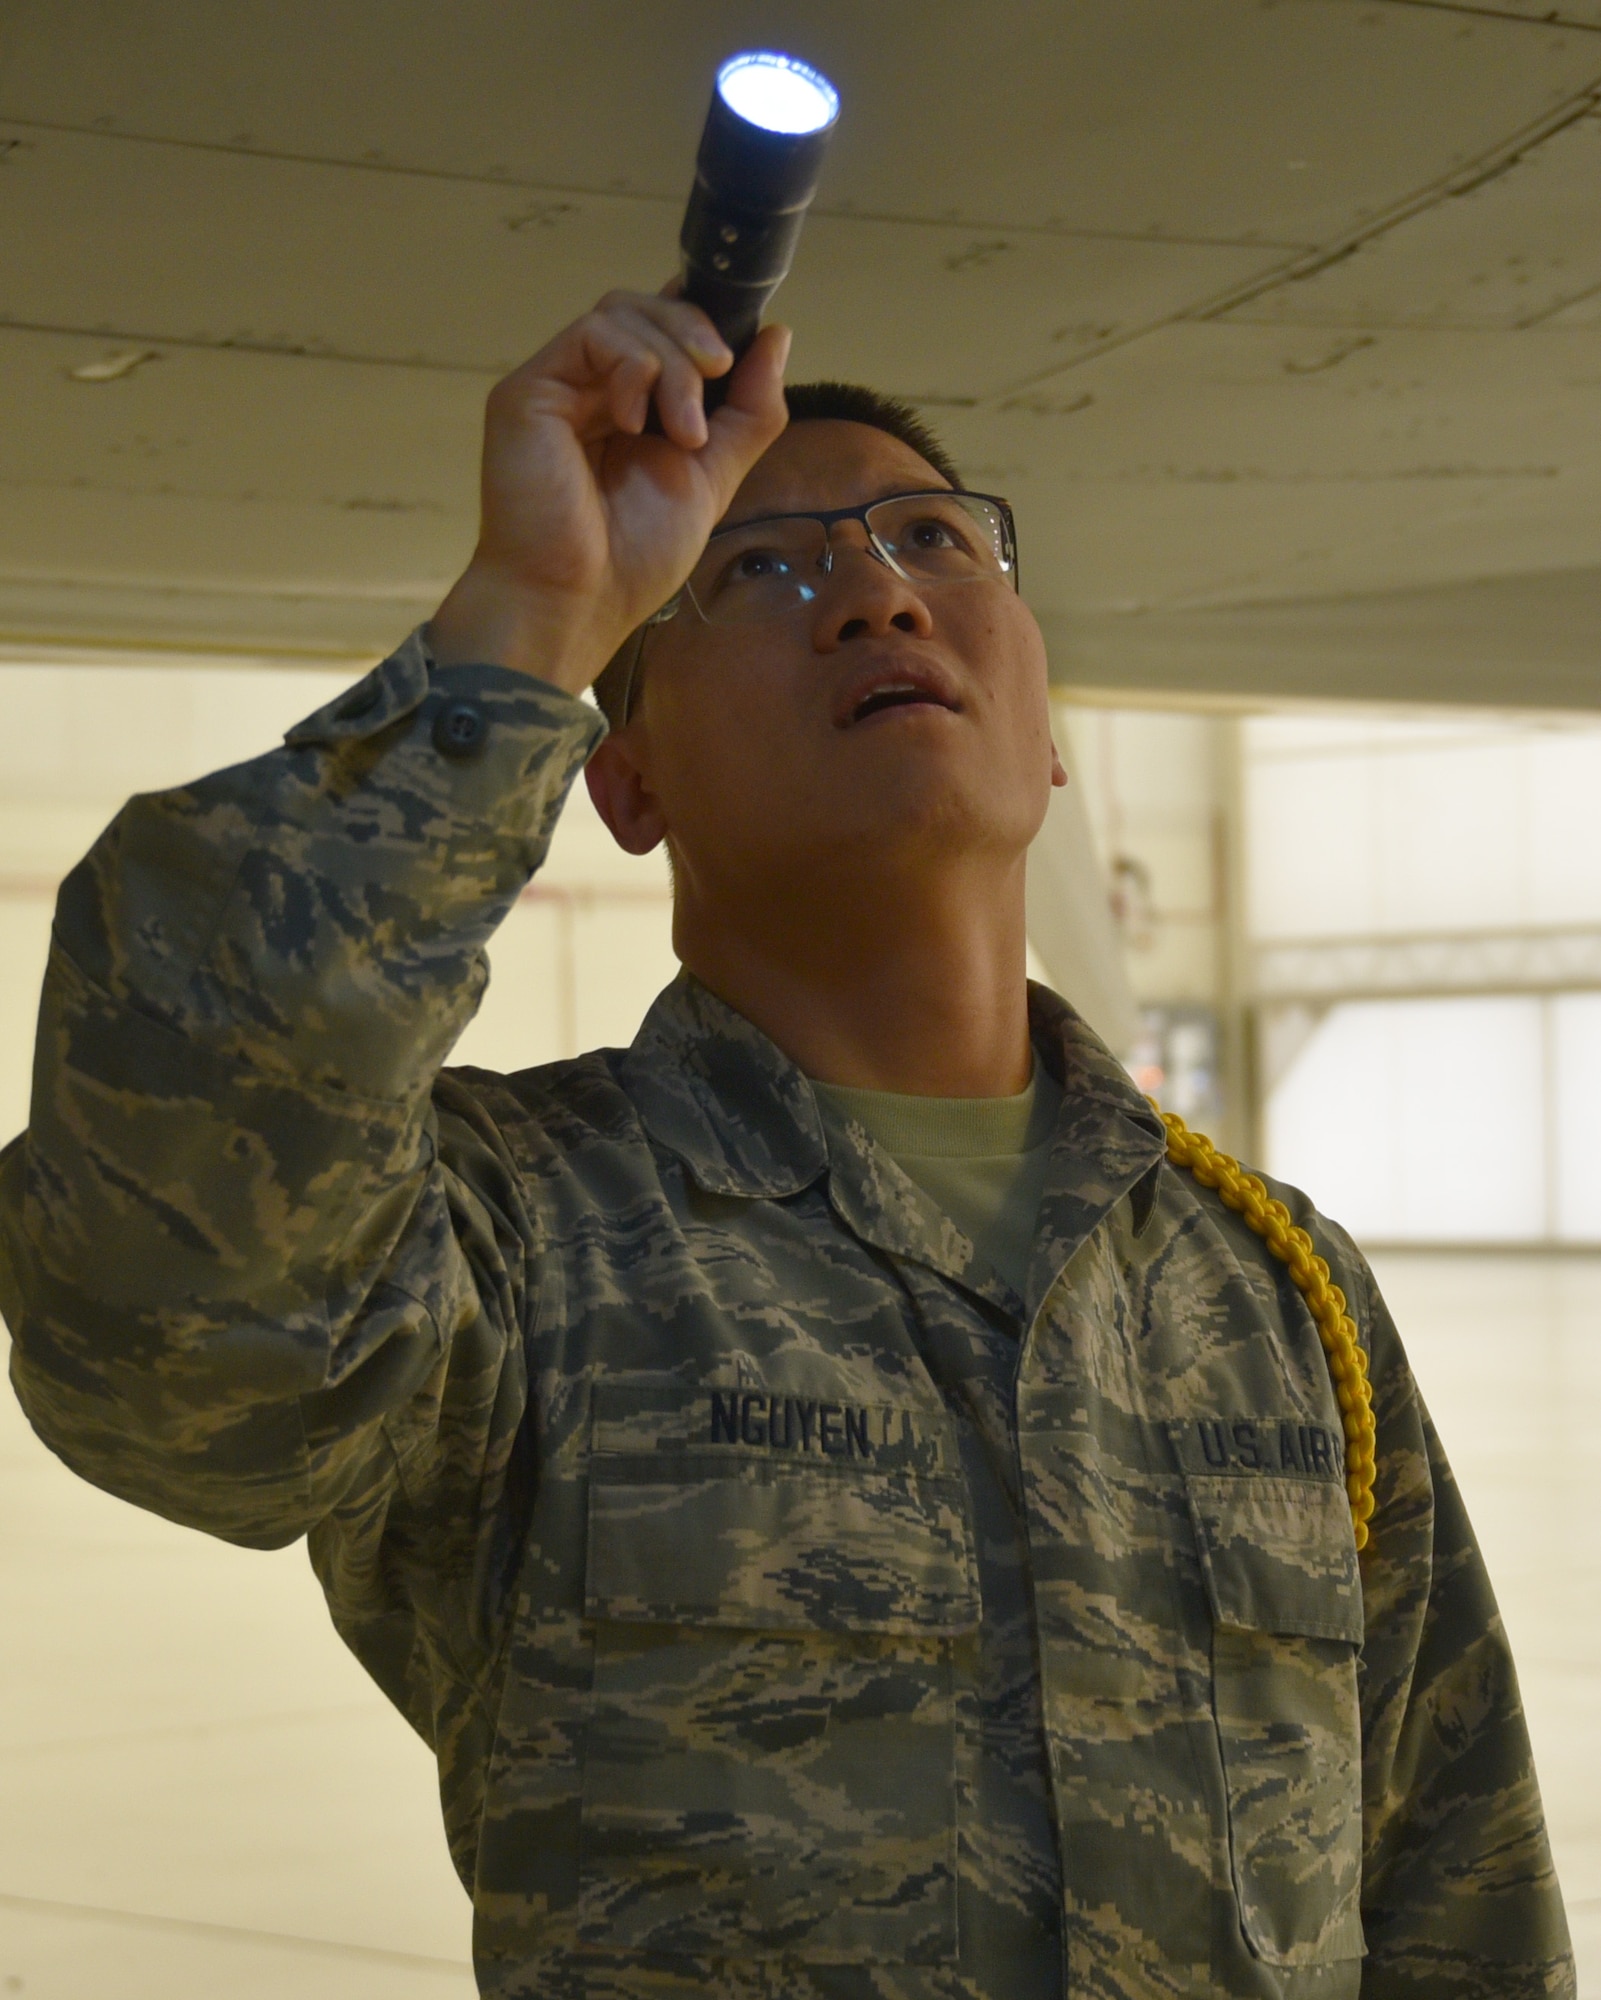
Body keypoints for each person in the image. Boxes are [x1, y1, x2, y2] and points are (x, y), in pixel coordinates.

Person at [0, 287, 1574, 2000]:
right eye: (758, 568)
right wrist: (525, 621)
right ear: (626, 781)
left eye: (934, 540)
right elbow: (172, 1332)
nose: (879, 592)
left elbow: (1455, 1884)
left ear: (1050, 738)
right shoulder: (516, 1237)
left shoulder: (1272, 1284)